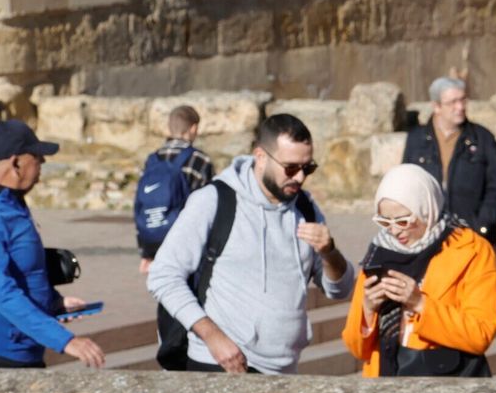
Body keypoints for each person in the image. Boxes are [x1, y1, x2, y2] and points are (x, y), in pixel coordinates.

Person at [148, 114, 355, 374]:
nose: (300, 177)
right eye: (291, 168)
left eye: (308, 168)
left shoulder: (305, 207)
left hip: (284, 369)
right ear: (260, 157)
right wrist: (213, 337)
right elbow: (163, 276)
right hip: (221, 364)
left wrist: (329, 253)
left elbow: (340, 289)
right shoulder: (214, 200)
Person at [0, 120, 106, 370]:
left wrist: (53, 301)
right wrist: (65, 340)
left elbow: (23, 273)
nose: (43, 164)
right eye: (37, 157)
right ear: (16, 163)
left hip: (23, 353)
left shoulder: (10, 204)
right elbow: (0, 291)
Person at [343, 164, 496, 377]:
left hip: (447, 381)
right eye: (384, 221)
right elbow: (358, 350)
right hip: (385, 382)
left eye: (403, 220)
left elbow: (480, 334)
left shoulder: (472, 250)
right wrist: (368, 311)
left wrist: (420, 304)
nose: (394, 230)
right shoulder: (379, 253)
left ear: (427, 210)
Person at [402, 77, 496, 245]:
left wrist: (482, 225)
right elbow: (406, 186)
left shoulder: (483, 139)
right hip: (427, 238)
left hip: (473, 236)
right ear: (437, 106)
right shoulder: (416, 140)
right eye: (453, 102)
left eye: (463, 100)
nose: (460, 107)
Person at [135, 104, 216, 274]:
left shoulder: (152, 159)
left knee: (164, 287)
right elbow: (209, 204)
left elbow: (142, 202)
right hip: (186, 240)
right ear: (193, 128)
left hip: (153, 239)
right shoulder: (199, 159)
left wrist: (145, 250)